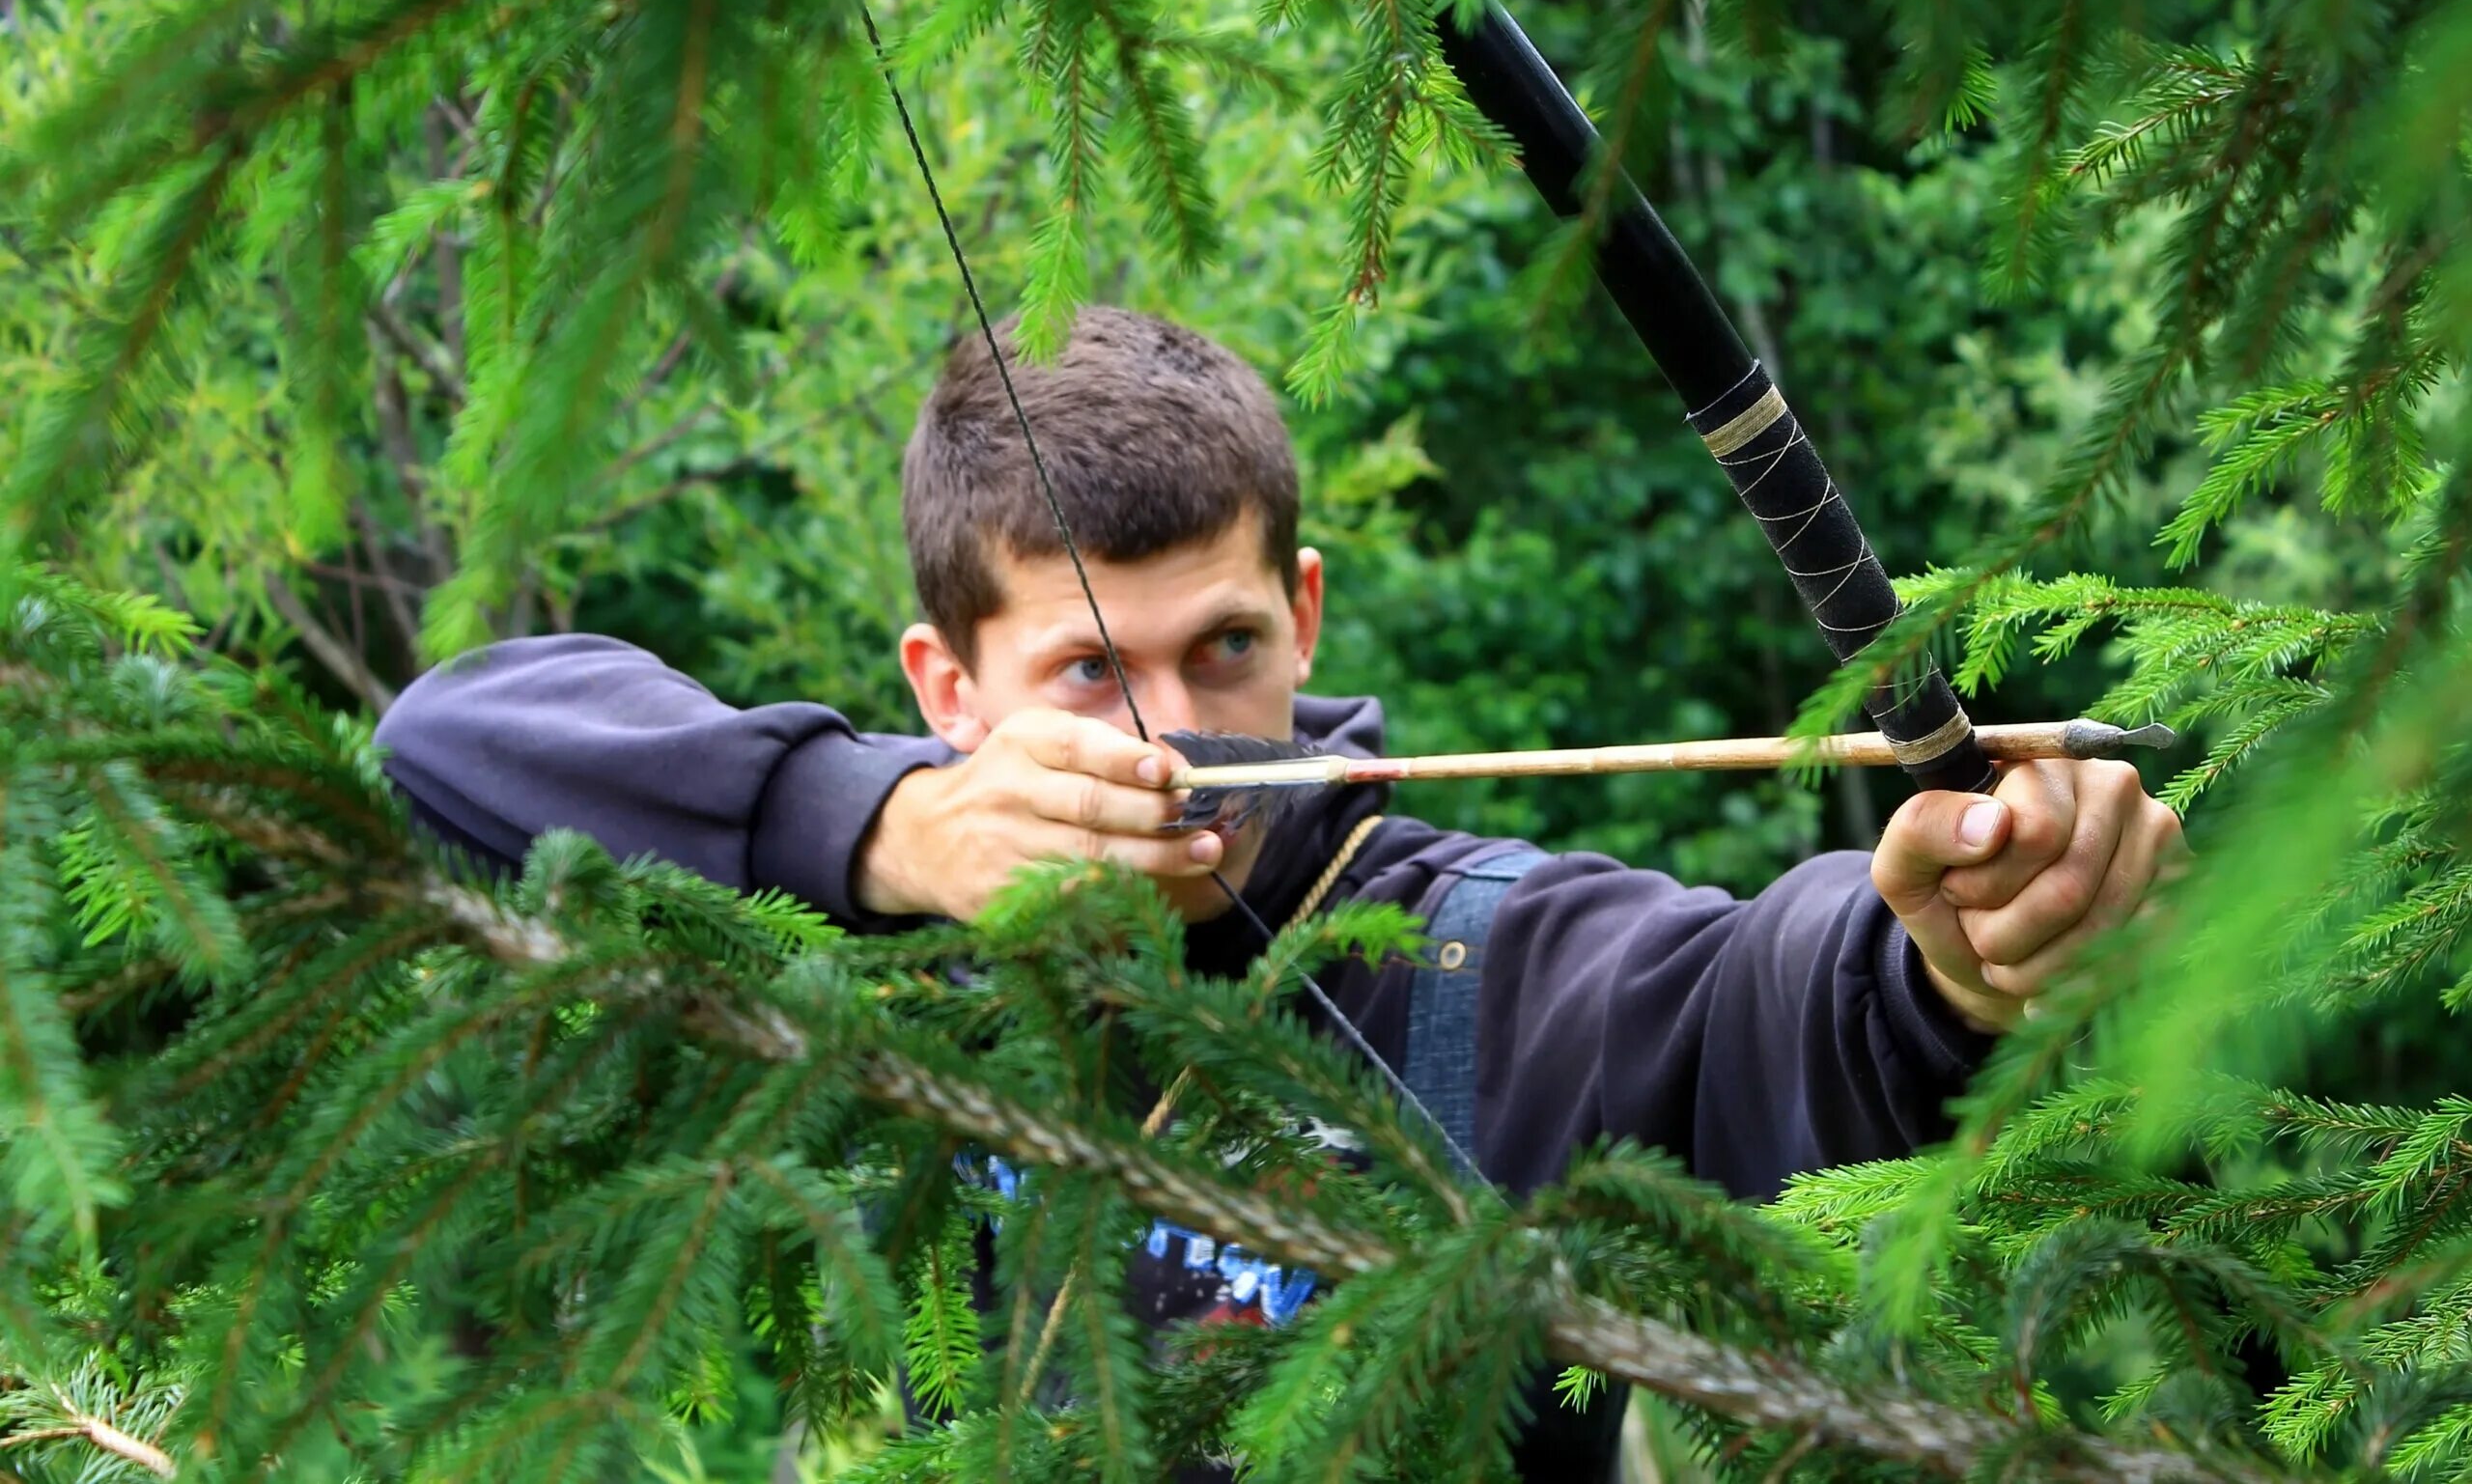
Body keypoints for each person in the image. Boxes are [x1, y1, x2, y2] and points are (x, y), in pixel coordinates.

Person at [374, 305, 2183, 1474]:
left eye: (1223, 647)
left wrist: (1949, 955)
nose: (1171, 733)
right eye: (1090, 670)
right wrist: (890, 833)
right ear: (948, 688)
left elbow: (1766, 999)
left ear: (1303, 616)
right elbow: (453, 739)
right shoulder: (879, 922)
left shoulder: (1492, 950)